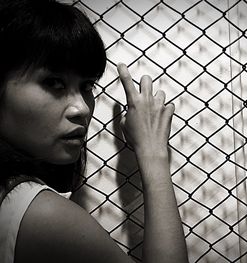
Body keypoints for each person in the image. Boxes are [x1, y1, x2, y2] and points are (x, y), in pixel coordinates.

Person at [0, 0, 189, 262]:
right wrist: (153, 153)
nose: (82, 109)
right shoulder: (42, 214)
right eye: (54, 82)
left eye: (88, 86)